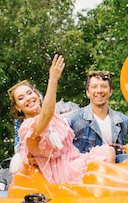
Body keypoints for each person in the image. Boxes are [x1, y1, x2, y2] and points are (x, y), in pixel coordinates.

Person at [8, 55, 115, 184]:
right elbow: (45, 116)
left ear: (37, 95)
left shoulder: (55, 119)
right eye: (21, 98)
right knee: (107, 155)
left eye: (30, 93)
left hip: (73, 160)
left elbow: (61, 115)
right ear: (17, 108)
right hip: (61, 173)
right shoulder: (27, 127)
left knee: (108, 150)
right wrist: (53, 80)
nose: (28, 98)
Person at [67, 70, 128, 163]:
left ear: (110, 91)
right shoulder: (75, 119)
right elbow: (55, 134)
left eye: (104, 86)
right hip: (87, 173)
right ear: (88, 92)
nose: (99, 91)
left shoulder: (121, 120)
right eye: (94, 87)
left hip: (115, 173)